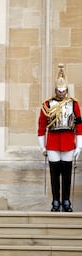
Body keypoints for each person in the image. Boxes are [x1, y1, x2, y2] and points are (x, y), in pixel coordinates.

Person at [37, 64, 82, 212]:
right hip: (53, 142)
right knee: (54, 174)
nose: (61, 93)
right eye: (59, 90)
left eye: (63, 90)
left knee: (67, 174)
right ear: (55, 90)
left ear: (67, 90)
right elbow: (41, 126)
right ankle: (56, 200)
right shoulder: (47, 104)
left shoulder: (74, 104)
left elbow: (79, 125)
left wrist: (79, 145)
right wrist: (42, 146)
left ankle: (66, 200)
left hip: (68, 141)